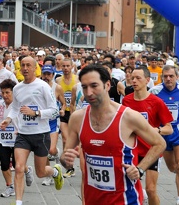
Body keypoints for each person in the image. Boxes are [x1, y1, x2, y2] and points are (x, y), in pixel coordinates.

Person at [61, 64, 166, 205]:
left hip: (124, 199)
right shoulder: (77, 118)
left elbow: (160, 143)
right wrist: (65, 160)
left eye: (94, 86)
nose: (89, 92)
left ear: (107, 85)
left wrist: (140, 169)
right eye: (84, 87)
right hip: (93, 198)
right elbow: (65, 158)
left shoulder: (128, 117)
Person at [0, 56, 63, 205]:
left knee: (41, 172)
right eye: (23, 65)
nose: (25, 68)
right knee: (19, 167)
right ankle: (18, 202)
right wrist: (8, 119)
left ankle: (54, 171)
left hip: (41, 134)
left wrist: (36, 113)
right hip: (23, 135)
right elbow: (15, 108)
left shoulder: (43, 87)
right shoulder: (17, 88)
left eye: (29, 65)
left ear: (35, 68)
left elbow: (54, 111)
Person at [122, 66, 173, 205]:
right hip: (132, 151)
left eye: (138, 78)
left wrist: (156, 130)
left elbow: (169, 128)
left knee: (150, 190)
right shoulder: (126, 101)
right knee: (130, 188)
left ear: (147, 80)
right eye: (132, 78)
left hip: (151, 151)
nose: (134, 81)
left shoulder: (156, 102)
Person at [149, 65, 179, 205]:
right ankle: (177, 173)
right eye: (165, 76)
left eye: (171, 76)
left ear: (176, 77)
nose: (168, 79)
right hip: (163, 132)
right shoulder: (155, 91)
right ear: (162, 78)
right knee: (172, 167)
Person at [40, 65, 66, 186]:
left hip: (53, 121)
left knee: (51, 149)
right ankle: (49, 175)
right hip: (41, 121)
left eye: (48, 74)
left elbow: (64, 103)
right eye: (44, 74)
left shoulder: (57, 88)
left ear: (53, 75)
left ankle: (55, 153)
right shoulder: (38, 86)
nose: (46, 77)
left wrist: (63, 110)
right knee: (44, 150)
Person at [55, 58, 78, 177]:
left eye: (67, 66)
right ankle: (69, 167)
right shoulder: (58, 80)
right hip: (64, 112)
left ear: (72, 66)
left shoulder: (77, 79)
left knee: (74, 141)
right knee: (65, 139)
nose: (65, 68)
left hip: (75, 113)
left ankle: (70, 158)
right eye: (63, 66)